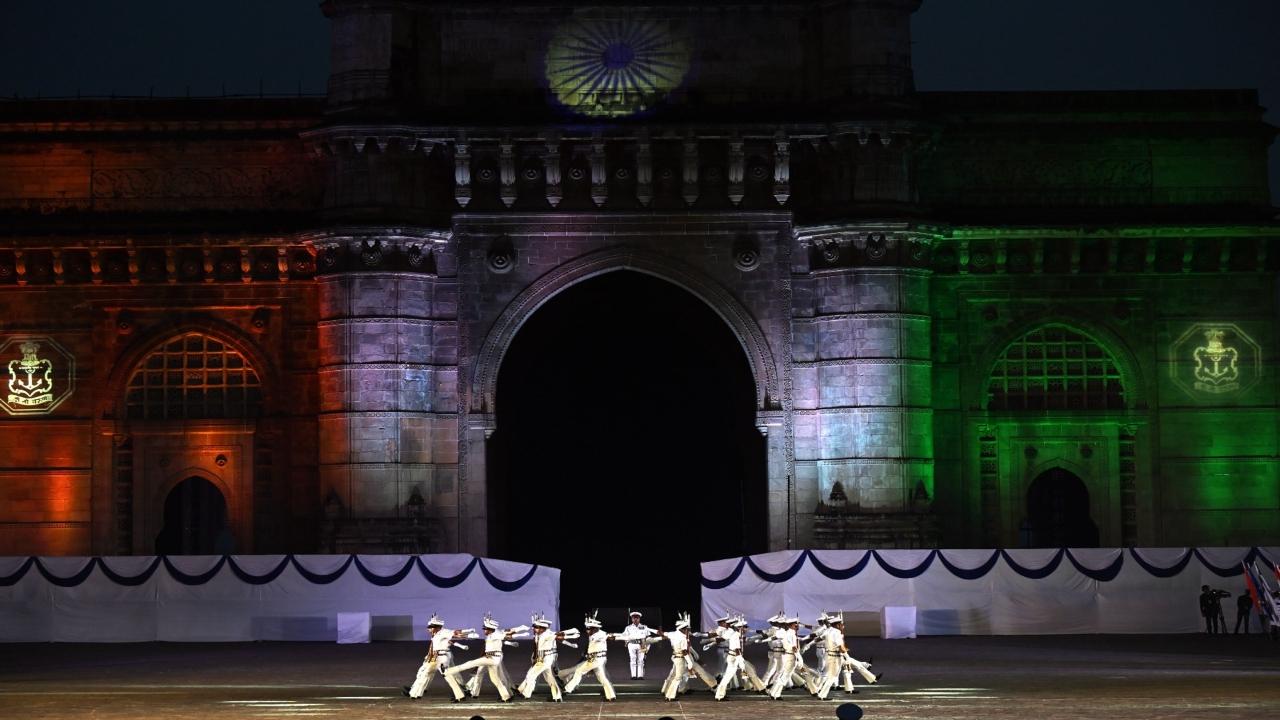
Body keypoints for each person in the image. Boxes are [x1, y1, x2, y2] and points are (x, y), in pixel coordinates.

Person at [443, 614, 523, 702]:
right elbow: (507, 633)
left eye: (486, 629)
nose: (484, 630)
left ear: (490, 629)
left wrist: (520, 634)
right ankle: (506, 697)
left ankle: (448, 671)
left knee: (470, 663)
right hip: (491, 658)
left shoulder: (496, 634)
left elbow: (507, 636)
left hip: (492, 659)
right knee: (495, 679)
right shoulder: (491, 635)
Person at [403, 614, 467, 699]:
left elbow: (454, 637)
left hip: (444, 655)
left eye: (431, 627)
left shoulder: (443, 632)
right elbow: (434, 646)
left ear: (437, 627)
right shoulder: (435, 634)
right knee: (424, 672)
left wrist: (467, 635)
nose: (429, 628)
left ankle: (462, 690)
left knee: (449, 674)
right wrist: (429, 656)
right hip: (436, 656)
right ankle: (415, 690)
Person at [517, 613, 578, 701]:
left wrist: (571, 634)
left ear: (543, 628)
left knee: (531, 675)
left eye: (536, 627)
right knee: (549, 678)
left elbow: (559, 635)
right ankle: (557, 697)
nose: (534, 629)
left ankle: (526, 694)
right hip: (541, 658)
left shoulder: (547, 634)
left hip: (546, 658)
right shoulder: (539, 635)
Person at [559, 612, 618, 701]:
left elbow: (611, 637)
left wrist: (626, 637)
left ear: (595, 628)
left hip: (597, 659)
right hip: (594, 658)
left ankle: (567, 689)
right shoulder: (592, 634)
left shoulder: (601, 634)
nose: (587, 631)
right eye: (587, 629)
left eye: (589, 629)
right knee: (602, 677)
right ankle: (611, 696)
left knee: (579, 671)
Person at [713, 615, 765, 700]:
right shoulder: (735, 635)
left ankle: (761, 688)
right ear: (739, 628)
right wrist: (740, 661)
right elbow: (737, 650)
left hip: (734, 657)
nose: (746, 629)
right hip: (734, 658)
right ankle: (719, 695)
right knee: (727, 677)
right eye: (744, 627)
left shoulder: (737, 635)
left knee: (751, 669)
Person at [619, 610, 654, 679]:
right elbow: (623, 636)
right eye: (633, 618)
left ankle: (640, 675)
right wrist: (626, 641)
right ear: (632, 619)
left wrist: (647, 646)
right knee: (632, 659)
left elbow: (648, 637)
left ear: (639, 618)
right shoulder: (628, 628)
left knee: (641, 660)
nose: (635, 619)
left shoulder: (644, 627)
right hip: (631, 644)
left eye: (637, 617)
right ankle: (633, 675)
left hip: (641, 644)